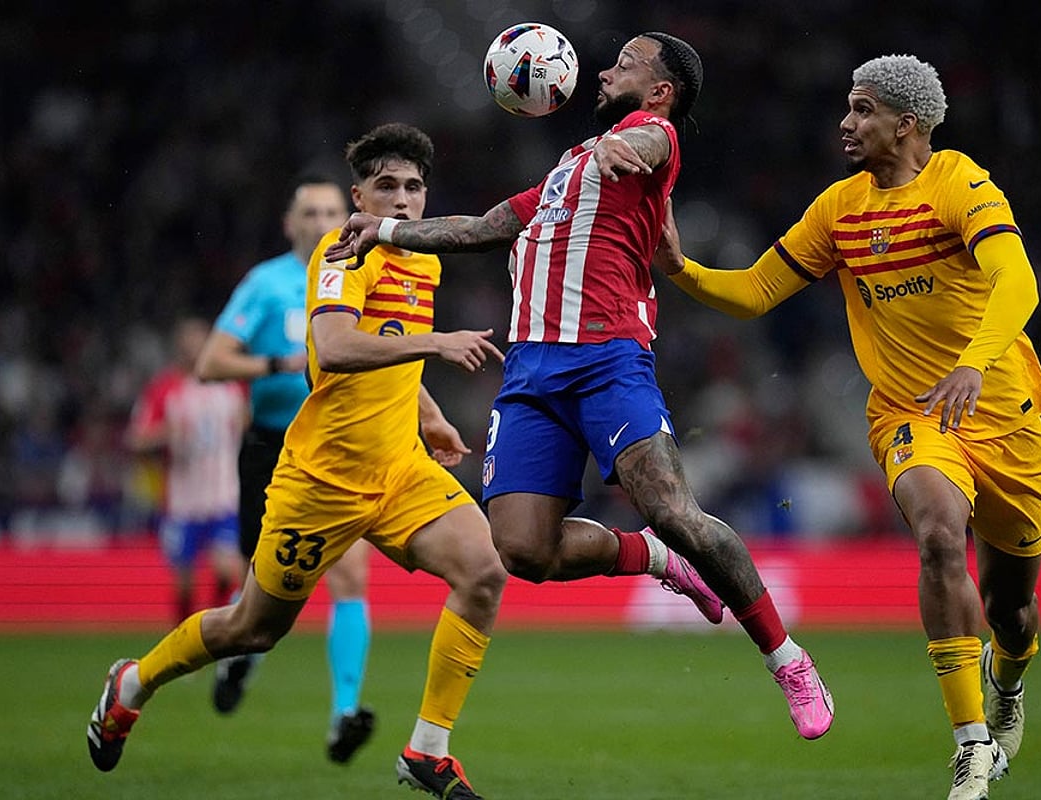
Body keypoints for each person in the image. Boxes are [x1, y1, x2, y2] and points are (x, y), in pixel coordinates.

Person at [325, 32, 834, 742]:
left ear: (659, 91)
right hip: (531, 372)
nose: (603, 69)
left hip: (607, 358)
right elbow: (480, 227)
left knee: (676, 512)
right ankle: (655, 562)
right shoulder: (565, 169)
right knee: (523, 553)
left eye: (625, 64)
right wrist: (381, 229)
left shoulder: (649, 136)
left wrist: (624, 149)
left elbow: (651, 146)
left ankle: (787, 658)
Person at [652, 54, 1041, 800]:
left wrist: (974, 362)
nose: (847, 121)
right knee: (936, 532)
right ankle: (970, 745)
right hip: (910, 414)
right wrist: (681, 269)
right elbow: (757, 291)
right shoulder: (838, 207)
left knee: (1013, 611)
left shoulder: (958, 181)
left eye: (864, 109)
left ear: (908, 124)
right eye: (847, 106)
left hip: (1002, 412)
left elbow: (1016, 277)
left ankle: (1011, 679)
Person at [88, 122, 507, 800]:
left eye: (413, 188)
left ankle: (428, 749)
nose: (401, 201)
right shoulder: (340, 255)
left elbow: (389, 342)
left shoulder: (421, 258)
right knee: (253, 627)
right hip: (322, 481)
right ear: (358, 197)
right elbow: (337, 349)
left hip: (398, 468)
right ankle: (132, 682)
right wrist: (438, 341)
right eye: (386, 188)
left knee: (485, 572)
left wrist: (429, 416)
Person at [194, 172, 377, 763]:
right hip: (272, 451)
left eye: (331, 212)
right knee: (265, 596)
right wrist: (280, 362)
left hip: (341, 448)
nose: (323, 224)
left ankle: (345, 713)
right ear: (290, 225)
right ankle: (243, 661)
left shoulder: (364, 275)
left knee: (350, 578)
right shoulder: (267, 284)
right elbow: (211, 364)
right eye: (310, 214)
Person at [126, 317, 248, 623]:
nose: (193, 349)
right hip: (183, 501)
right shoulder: (164, 389)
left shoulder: (232, 385)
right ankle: (181, 633)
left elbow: (249, 422)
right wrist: (166, 434)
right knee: (184, 585)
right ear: (179, 347)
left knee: (226, 570)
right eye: (188, 342)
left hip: (224, 497)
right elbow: (136, 438)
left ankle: (212, 625)